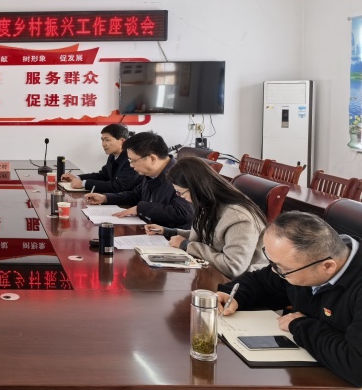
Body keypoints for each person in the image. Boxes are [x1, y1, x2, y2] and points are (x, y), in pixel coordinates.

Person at [217, 212, 362, 387]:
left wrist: (300, 325)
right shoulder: (305, 262)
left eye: (282, 269)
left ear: (327, 267)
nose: (275, 271)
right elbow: (263, 282)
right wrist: (234, 295)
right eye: (272, 262)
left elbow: (357, 366)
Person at [143, 157, 267, 279]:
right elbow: (207, 236)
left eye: (180, 192)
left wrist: (186, 245)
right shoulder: (209, 202)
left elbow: (233, 267)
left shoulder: (239, 217)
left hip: (240, 283)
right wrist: (169, 232)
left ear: (196, 188)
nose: (180, 196)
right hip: (212, 273)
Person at [84, 131, 193, 229]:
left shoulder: (181, 176)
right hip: (149, 229)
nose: (131, 165)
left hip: (171, 238)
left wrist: (141, 209)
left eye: (133, 160)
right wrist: (105, 198)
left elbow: (183, 213)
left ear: (152, 158)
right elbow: (135, 195)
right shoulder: (150, 173)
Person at [60, 123, 142, 192]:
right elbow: (103, 176)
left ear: (122, 141)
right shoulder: (112, 156)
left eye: (107, 140)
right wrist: (77, 177)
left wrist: (84, 184)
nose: (103, 144)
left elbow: (119, 186)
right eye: (102, 140)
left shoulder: (131, 159)